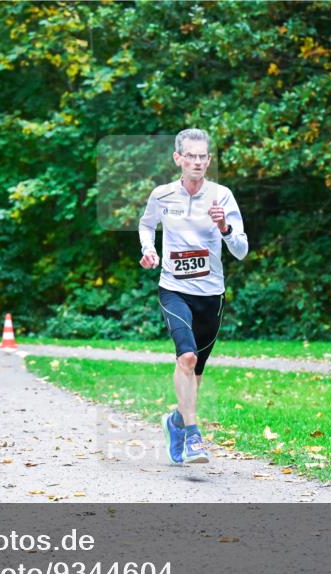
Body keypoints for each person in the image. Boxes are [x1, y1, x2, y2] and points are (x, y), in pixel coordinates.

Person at [138, 128, 249, 464]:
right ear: (178, 159)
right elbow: (146, 225)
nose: (198, 162)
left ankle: (176, 422)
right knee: (185, 359)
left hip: (210, 295)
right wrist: (149, 249)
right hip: (174, 290)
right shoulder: (162, 195)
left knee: (196, 373)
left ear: (208, 160)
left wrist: (225, 229)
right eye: (191, 156)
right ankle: (194, 437)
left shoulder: (222, 197)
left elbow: (242, 250)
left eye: (203, 157)